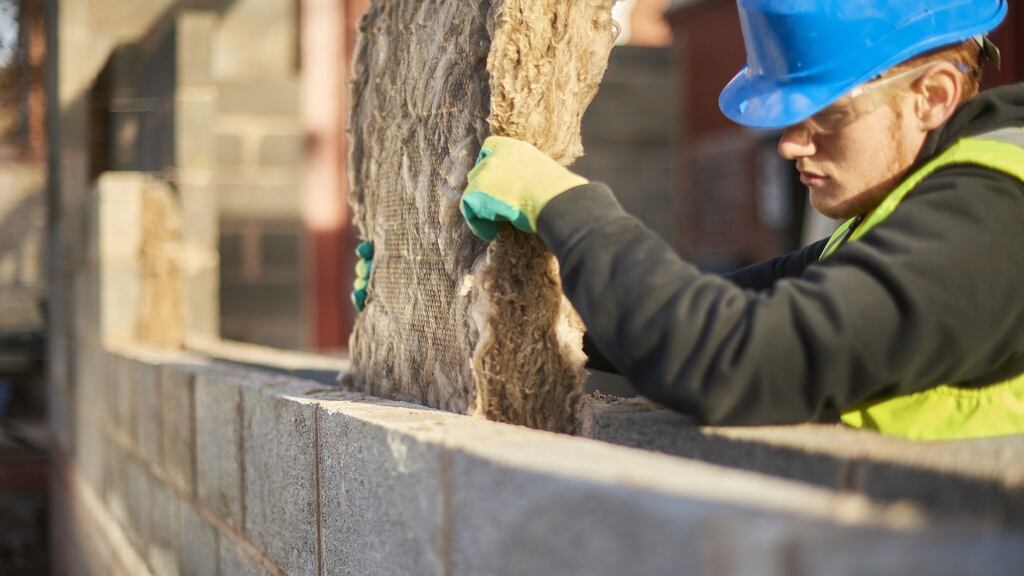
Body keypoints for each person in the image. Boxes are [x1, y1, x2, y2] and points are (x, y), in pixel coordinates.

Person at [456, 0, 1024, 440]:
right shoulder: (906, 206)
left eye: (826, 112)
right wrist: (457, 297)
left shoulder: (996, 223)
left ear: (932, 95)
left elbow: (729, 358)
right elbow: (703, 310)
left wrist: (567, 205)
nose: (791, 145)